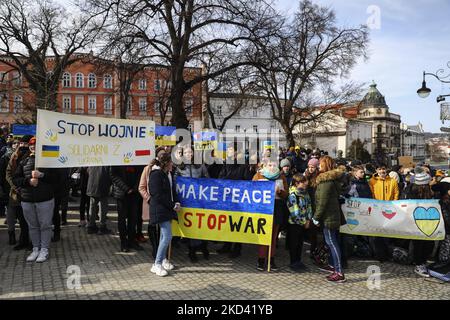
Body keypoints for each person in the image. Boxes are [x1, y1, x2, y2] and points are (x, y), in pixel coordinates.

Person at [13, 137, 56, 263]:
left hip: (45, 199)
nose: (33, 146)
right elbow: (16, 179)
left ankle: (44, 249)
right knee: (33, 226)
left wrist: (41, 175)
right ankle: (36, 248)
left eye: (35, 144)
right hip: (27, 199)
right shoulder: (24, 160)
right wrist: (28, 181)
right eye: (31, 144)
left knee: (45, 225)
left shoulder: (49, 160)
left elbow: (56, 179)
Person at [312, 156, 346, 283]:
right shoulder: (332, 179)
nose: (319, 166)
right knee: (332, 242)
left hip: (328, 218)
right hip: (331, 216)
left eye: (321, 164)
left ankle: (339, 272)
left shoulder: (326, 181)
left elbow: (322, 202)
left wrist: (316, 217)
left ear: (326, 165)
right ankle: (335, 269)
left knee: (332, 243)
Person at [217, 146, 254, 258]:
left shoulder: (243, 166)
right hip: (228, 199)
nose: (230, 154)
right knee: (228, 223)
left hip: (239, 200)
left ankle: (237, 248)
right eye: (228, 152)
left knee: (238, 224)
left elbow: (248, 181)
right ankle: (227, 245)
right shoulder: (225, 165)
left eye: (232, 152)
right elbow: (220, 178)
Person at [175, 145, 210, 262]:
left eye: (191, 152)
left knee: (201, 225)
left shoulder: (200, 166)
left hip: (199, 201)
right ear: (183, 154)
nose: (189, 154)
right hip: (187, 202)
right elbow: (175, 183)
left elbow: (208, 180)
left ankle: (204, 247)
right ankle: (192, 251)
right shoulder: (179, 167)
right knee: (190, 226)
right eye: (186, 153)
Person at [253, 160, 288, 271]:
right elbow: (251, 189)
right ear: (264, 166)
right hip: (262, 208)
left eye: (274, 165)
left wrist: (280, 192)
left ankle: (271, 260)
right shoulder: (259, 175)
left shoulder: (281, 177)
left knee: (273, 237)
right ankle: (261, 260)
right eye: (269, 165)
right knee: (263, 236)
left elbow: (286, 193)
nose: (272, 166)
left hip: (276, 208)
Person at [149, 153, 180, 277]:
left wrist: (175, 202)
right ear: (166, 163)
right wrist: (172, 205)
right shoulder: (156, 175)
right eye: (171, 162)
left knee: (164, 236)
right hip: (160, 210)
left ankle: (162, 260)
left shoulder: (167, 174)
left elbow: (171, 191)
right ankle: (156, 264)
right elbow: (158, 195)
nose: (172, 164)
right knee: (167, 236)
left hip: (166, 209)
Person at [406, 169, 435, 277]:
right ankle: (419, 263)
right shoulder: (412, 192)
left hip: (427, 221)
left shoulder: (429, 192)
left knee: (429, 243)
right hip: (416, 221)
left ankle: (422, 261)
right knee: (419, 243)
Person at [5, 135, 32, 250]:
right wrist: (15, 187)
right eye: (22, 143)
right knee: (20, 219)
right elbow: (8, 173)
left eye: (26, 144)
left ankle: (31, 241)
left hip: (29, 193)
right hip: (16, 193)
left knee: (30, 219)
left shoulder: (32, 156)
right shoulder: (14, 156)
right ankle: (23, 241)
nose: (23, 146)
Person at [369, 164, 399, 262]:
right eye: (380, 169)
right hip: (377, 210)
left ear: (386, 170)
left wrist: (393, 205)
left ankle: (388, 254)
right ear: (377, 170)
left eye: (383, 169)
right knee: (377, 234)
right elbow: (371, 194)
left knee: (387, 233)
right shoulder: (372, 181)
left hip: (389, 210)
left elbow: (396, 194)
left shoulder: (392, 181)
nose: (382, 171)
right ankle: (378, 255)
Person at [110, 165, 144, 252]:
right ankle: (123, 243)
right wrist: (126, 189)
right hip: (122, 194)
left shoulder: (137, 159)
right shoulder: (117, 157)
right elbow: (113, 175)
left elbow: (141, 173)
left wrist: (135, 188)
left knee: (133, 219)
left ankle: (131, 241)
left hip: (134, 193)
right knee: (122, 220)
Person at [286, 173, 312, 272]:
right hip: (295, 224)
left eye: (305, 181)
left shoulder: (305, 194)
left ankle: (298, 261)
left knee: (300, 243)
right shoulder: (293, 195)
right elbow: (294, 212)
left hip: (304, 223)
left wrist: (308, 219)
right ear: (297, 183)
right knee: (294, 243)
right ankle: (293, 262)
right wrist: (303, 222)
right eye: (303, 182)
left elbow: (309, 206)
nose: (306, 183)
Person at [1, 138, 19, 244]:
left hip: (20, 188)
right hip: (9, 189)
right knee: (11, 212)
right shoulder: (5, 157)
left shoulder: (21, 156)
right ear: (11, 145)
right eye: (14, 143)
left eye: (18, 143)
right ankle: (11, 234)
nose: (16, 145)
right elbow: (4, 174)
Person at [86, 166, 112, 235]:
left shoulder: (93, 159)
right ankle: (102, 226)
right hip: (102, 184)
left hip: (92, 184)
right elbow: (110, 173)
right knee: (103, 207)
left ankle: (91, 226)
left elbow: (87, 170)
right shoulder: (106, 160)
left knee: (92, 206)